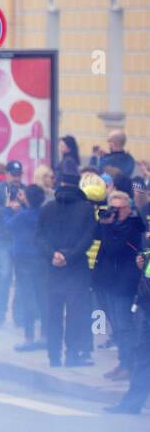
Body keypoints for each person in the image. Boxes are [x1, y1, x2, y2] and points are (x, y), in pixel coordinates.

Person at [38, 162, 98, 368]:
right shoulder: (86, 209)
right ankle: (72, 354)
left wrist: (53, 254)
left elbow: (39, 237)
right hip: (76, 270)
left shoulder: (47, 208)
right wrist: (70, 256)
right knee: (75, 314)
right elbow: (88, 238)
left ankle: (53, 356)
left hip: (52, 269)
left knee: (53, 313)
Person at [93, 189, 145, 381]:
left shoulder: (133, 226)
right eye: (111, 208)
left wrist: (108, 227)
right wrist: (104, 222)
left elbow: (114, 249)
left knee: (124, 325)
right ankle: (123, 362)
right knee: (116, 325)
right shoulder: (110, 224)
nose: (114, 213)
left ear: (127, 208)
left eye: (118, 209)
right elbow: (95, 236)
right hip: (108, 282)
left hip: (124, 284)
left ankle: (128, 365)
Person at [2, 183, 47, 351]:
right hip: (40, 259)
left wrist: (8, 208)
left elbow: (8, 224)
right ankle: (44, 336)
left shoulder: (23, 216)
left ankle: (29, 339)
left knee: (27, 298)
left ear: (27, 198)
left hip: (23, 260)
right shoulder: (42, 213)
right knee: (42, 297)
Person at [106, 250, 150, 414]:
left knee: (144, 357)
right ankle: (131, 404)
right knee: (144, 357)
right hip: (147, 305)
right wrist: (144, 258)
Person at [0, 160, 25, 328]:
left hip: (20, 238)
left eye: (19, 174)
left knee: (21, 277)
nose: (16, 178)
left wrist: (22, 206)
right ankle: (0, 313)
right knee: (4, 276)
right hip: (2, 238)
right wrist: (9, 208)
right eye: (13, 174)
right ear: (7, 174)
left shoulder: (25, 190)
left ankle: (19, 315)